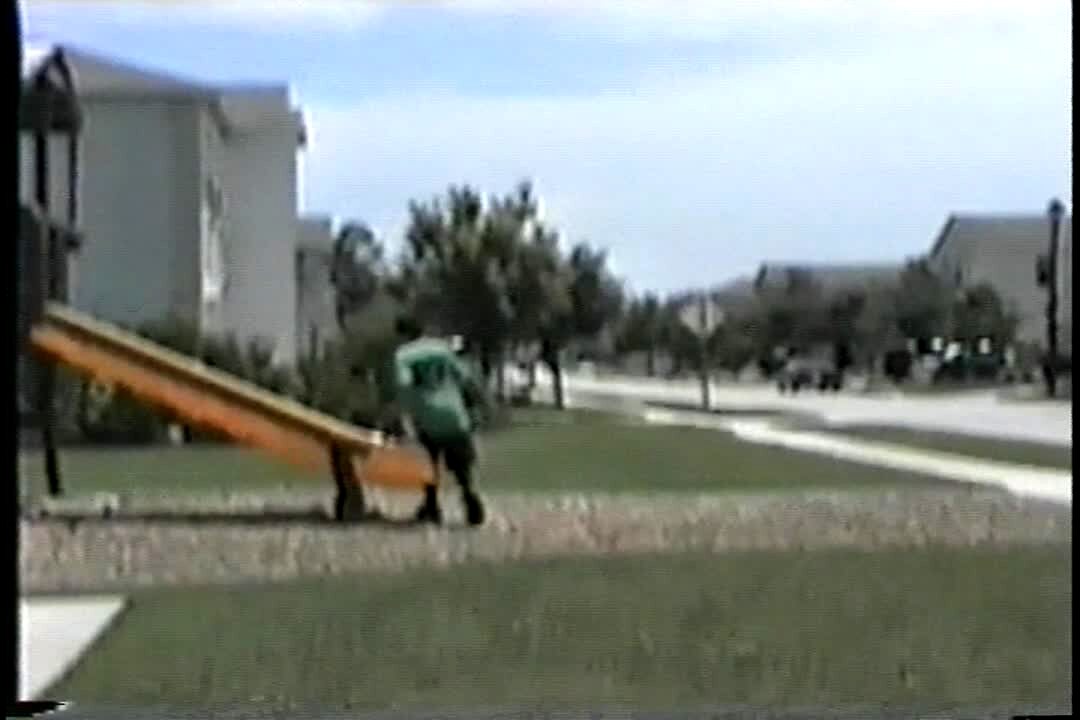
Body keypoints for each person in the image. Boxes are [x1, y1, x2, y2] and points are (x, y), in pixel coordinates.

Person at [388, 315, 488, 526]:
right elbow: (464, 376)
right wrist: (475, 405)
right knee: (461, 465)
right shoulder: (442, 348)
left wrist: (404, 415)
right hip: (454, 411)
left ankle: (432, 505)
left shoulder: (404, 355)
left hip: (428, 414)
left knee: (429, 462)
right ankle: (469, 498)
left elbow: (404, 385)